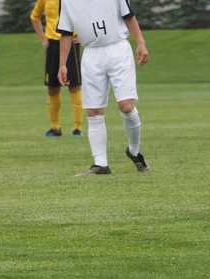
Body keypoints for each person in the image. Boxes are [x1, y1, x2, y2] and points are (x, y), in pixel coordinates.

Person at [57, 0, 151, 176]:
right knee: (93, 111)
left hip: (118, 49)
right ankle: (100, 164)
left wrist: (140, 42)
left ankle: (134, 150)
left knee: (127, 107)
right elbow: (65, 32)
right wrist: (62, 64)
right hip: (91, 54)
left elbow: (128, 16)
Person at [30, 0, 83, 138]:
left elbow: (88, 14)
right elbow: (34, 16)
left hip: (71, 41)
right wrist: (42, 37)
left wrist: (83, 35)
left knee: (74, 85)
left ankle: (77, 128)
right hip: (53, 43)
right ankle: (55, 127)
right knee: (52, 87)